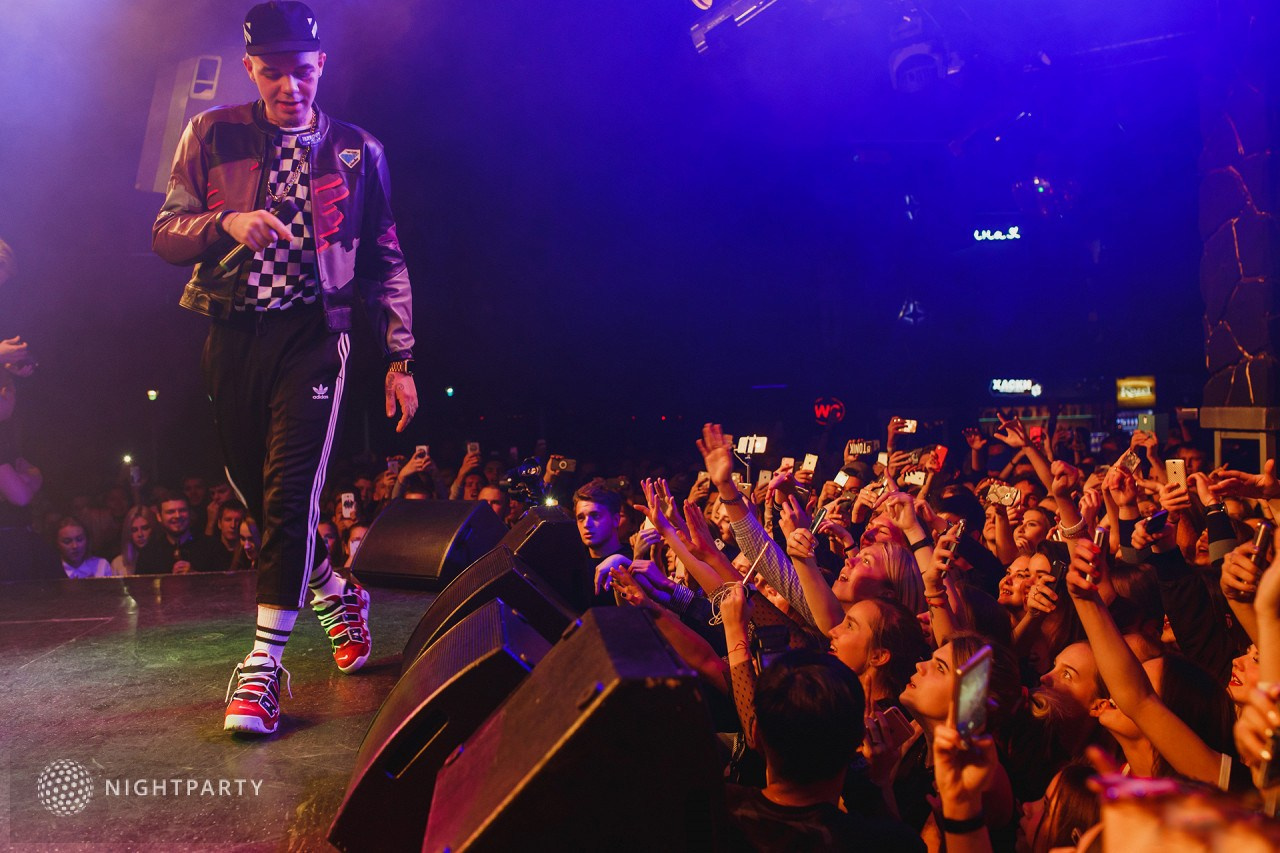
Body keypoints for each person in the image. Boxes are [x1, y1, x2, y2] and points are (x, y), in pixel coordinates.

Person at [152, 1, 418, 735]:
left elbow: (384, 257)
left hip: (315, 333)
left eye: (301, 71)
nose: (288, 87)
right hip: (233, 335)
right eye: (272, 73)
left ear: (321, 65)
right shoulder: (211, 133)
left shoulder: (359, 151)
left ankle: (264, 668)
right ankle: (336, 592)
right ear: (250, 70)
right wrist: (224, 222)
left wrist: (400, 355)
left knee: (291, 490)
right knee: (262, 499)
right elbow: (165, 231)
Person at [135, 493, 203, 574]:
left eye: (182, 510)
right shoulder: (148, 553)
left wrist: (195, 575)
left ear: (190, 513)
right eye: (170, 512)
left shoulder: (211, 547)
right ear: (159, 517)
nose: (177, 516)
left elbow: (220, 584)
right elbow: (141, 586)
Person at [192, 499, 248, 572]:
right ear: (219, 523)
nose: (233, 525)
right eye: (228, 520)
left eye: (238, 520)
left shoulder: (248, 552)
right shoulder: (211, 552)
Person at [111, 505, 155, 577]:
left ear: (152, 528)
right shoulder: (118, 563)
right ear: (128, 533)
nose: (140, 534)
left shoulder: (161, 558)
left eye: (144, 528)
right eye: (134, 530)